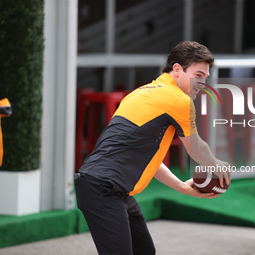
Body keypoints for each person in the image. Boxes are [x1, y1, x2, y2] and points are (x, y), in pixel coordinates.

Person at [75, 41, 230, 255]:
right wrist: (217, 165)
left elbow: (148, 158)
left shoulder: (143, 93)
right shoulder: (177, 100)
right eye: (199, 75)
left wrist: (182, 187)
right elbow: (196, 148)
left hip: (112, 188)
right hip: (103, 188)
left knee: (144, 251)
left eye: (205, 77)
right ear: (177, 70)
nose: (203, 82)